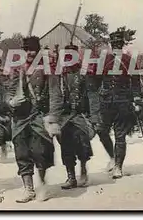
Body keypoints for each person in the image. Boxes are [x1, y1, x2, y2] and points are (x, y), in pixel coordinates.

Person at [5, 36, 60, 203]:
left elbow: (55, 93)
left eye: (33, 50)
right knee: (21, 152)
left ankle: (42, 185)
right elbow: (8, 92)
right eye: (27, 50)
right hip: (20, 117)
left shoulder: (47, 68)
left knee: (40, 151)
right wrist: (11, 101)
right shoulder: (17, 69)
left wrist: (52, 116)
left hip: (39, 115)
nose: (30, 53)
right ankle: (28, 189)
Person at [94, 31, 141, 179]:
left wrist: (137, 100)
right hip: (106, 101)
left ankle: (118, 167)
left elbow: (135, 82)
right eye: (114, 44)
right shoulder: (104, 60)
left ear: (123, 45)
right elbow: (95, 80)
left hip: (123, 101)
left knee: (120, 135)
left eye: (119, 45)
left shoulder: (129, 60)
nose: (116, 47)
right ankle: (113, 157)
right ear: (110, 45)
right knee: (101, 130)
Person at [48, 44, 96, 189]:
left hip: (80, 115)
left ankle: (83, 170)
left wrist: (94, 118)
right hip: (64, 117)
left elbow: (91, 96)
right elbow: (54, 97)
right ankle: (71, 176)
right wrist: (53, 119)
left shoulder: (84, 75)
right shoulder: (59, 76)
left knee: (83, 144)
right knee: (66, 147)